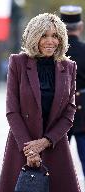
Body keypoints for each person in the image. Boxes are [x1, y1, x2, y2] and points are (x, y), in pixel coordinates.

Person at [0, 13, 84, 192]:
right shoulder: (17, 62)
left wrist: (45, 142)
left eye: (55, 35)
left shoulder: (69, 66)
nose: (50, 41)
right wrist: (30, 149)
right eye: (44, 35)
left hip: (55, 145)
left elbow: (69, 111)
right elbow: (12, 110)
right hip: (22, 146)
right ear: (34, 37)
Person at [60, 5, 85, 180]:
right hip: (84, 114)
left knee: (55, 165)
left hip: (59, 114)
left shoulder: (54, 52)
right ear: (81, 26)